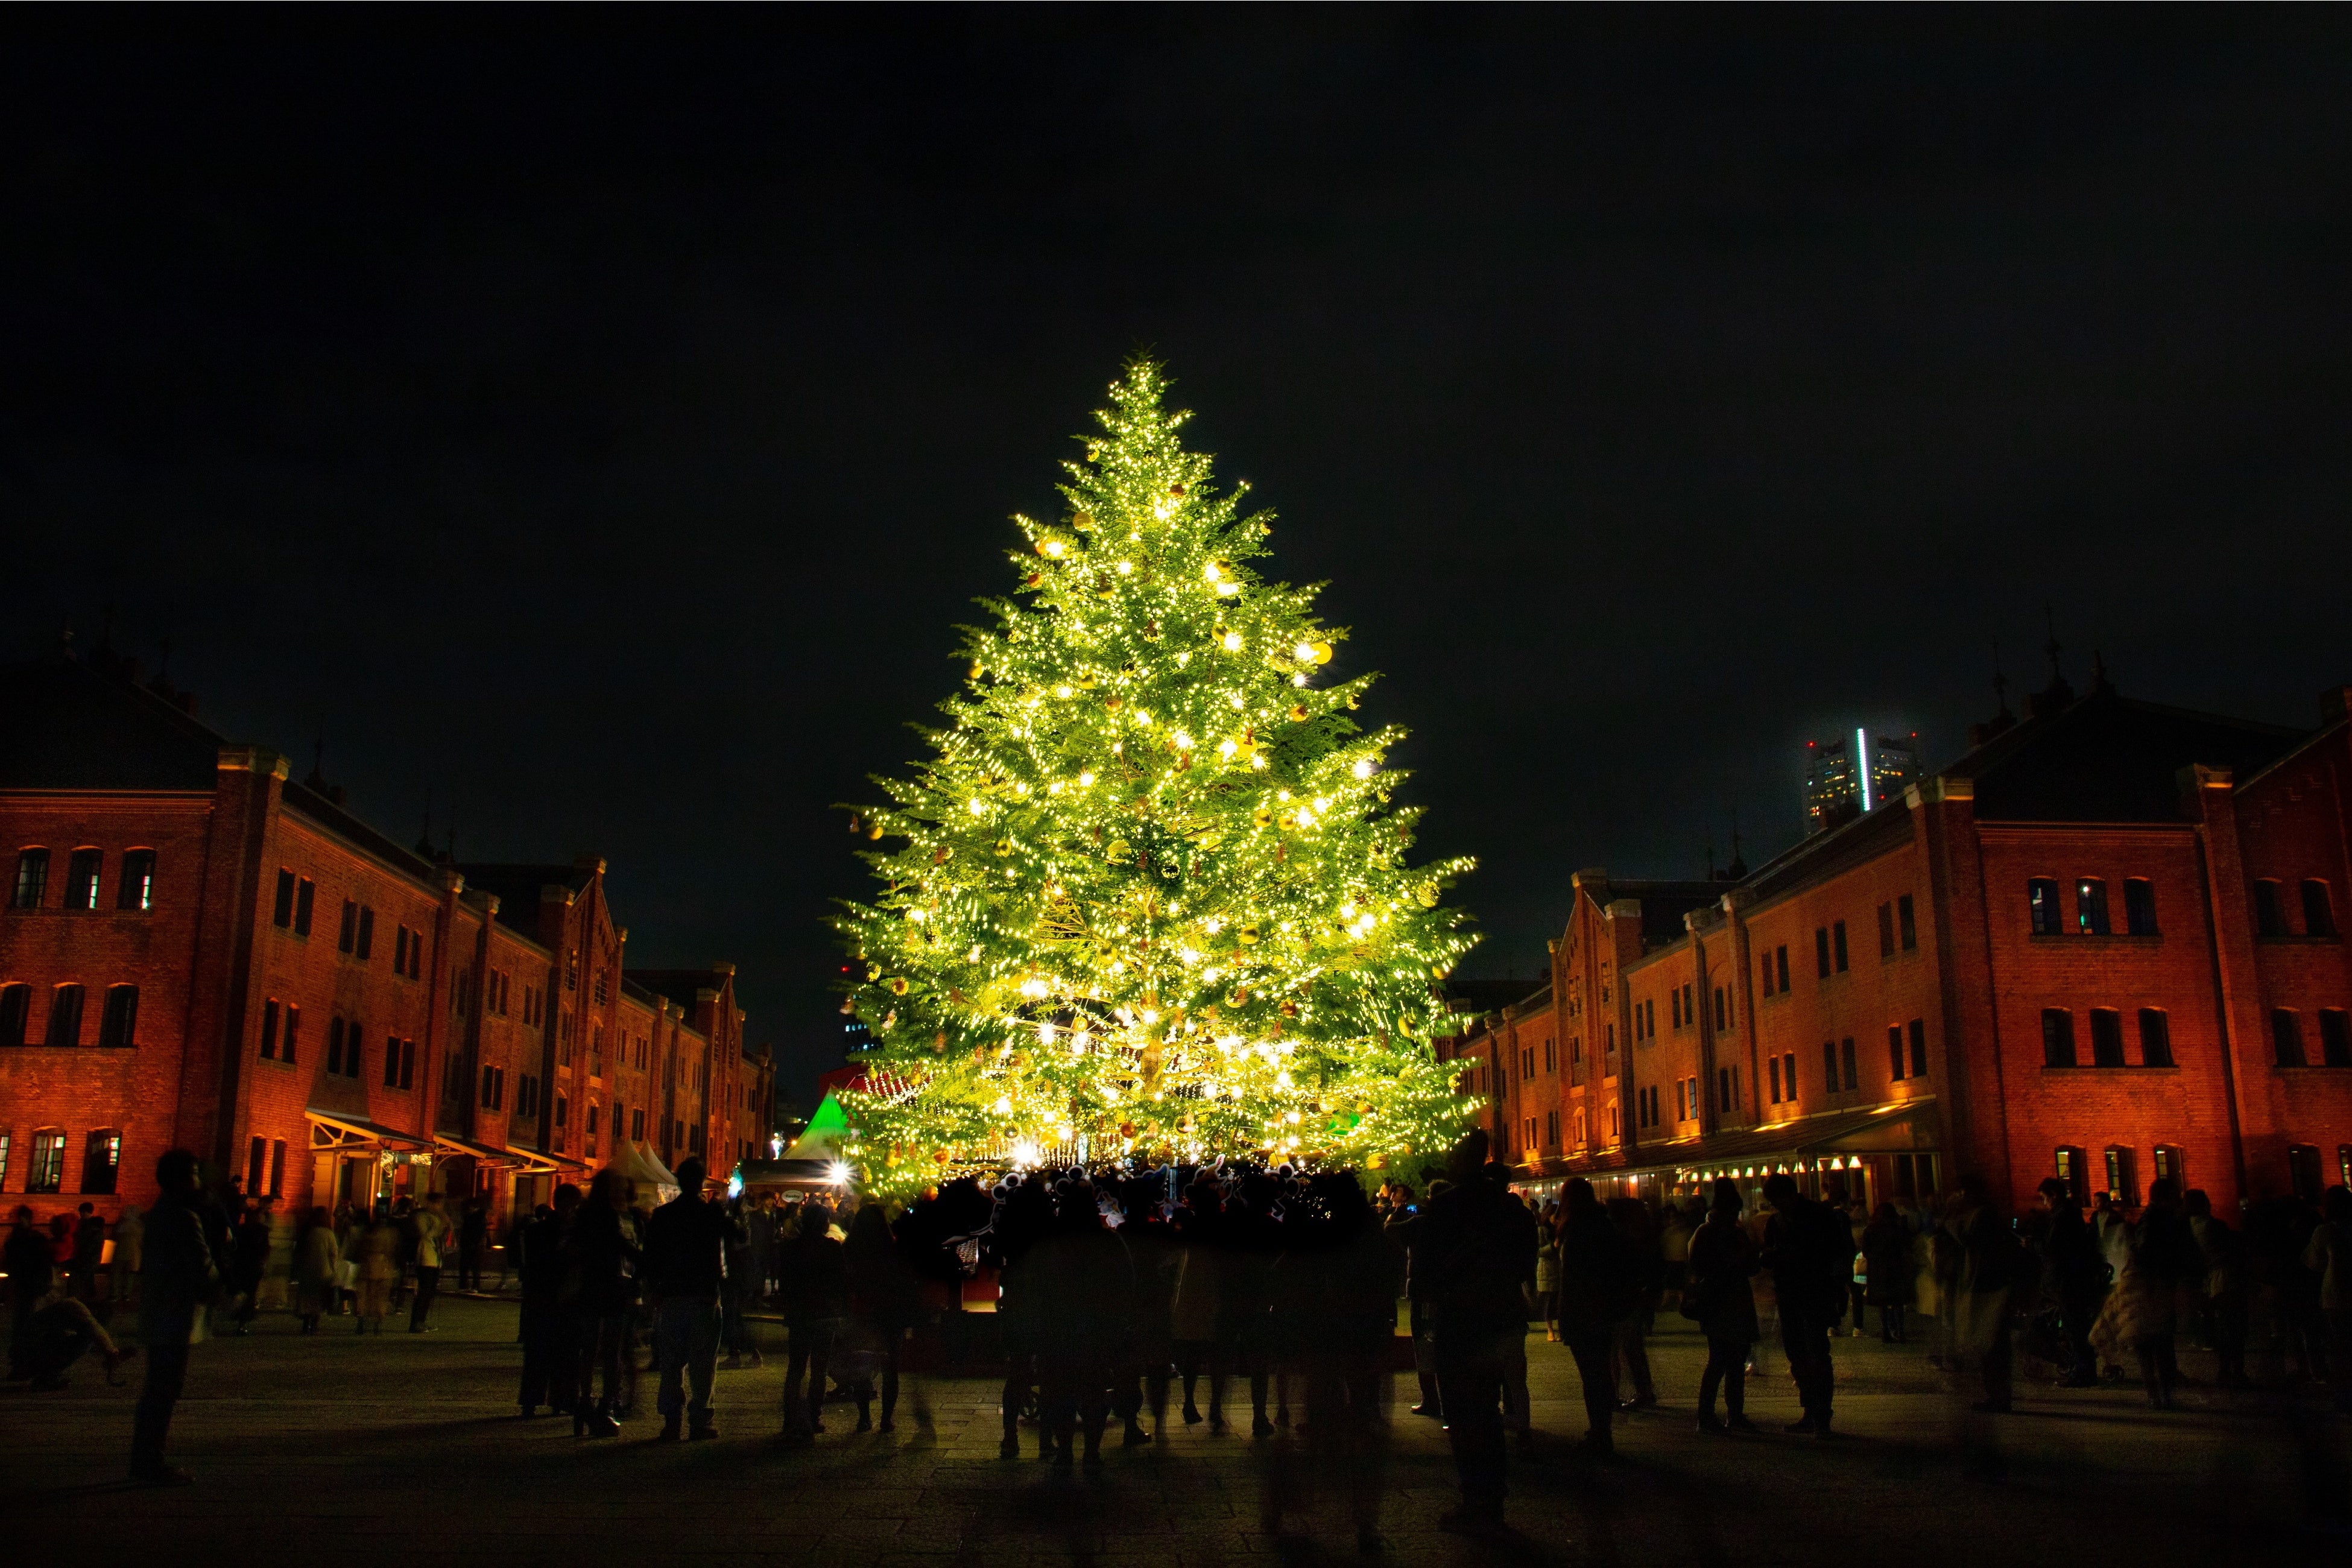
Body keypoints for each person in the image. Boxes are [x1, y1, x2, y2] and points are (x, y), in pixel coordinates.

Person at [1418, 1130, 1534, 1537]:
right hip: (1498, 1316)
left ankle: (1475, 1497)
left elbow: (1428, 1268)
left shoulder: (1446, 1206)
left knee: (1464, 1413)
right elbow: (1524, 1263)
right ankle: (1493, 1496)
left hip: (1460, 1320)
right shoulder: (1511, 1209)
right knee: (1488, 1407)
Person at [131, 1148, 219, 1486]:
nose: (198, 1180)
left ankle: (145, 1458)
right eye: (195, 1173)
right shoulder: (184, 1217)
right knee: (165, 1388)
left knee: (158, 1387)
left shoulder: (159, 1213)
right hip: (175, 1314)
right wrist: (224, 1290)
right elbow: (202, 1267)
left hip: (159, 1311)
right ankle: (150, 1461)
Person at [641, 1156, 738, 1441]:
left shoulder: (663, 1216)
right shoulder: (710, 1214)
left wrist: (653, 1291)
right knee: (704, 1363)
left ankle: (672, 1421)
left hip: (672, 1296)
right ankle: (700, 1420)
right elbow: (737, 1235)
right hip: (705, 1296)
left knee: (672, 1363)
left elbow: (651, 1258)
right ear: (702, 1182)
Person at [1761, 1172, 1853, 1437]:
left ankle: (1819, 1414)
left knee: (1814, 1353)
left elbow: (1832, 1251)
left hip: (1811, 1290)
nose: (1777, 1207)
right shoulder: (1800, 1217)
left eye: (1777, 1201)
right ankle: (1813, 1411)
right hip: (1796, 1292)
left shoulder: (1813, 1217)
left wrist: (1785, 1256)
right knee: (1800, 1353)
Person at [1555, 1179, 1636, 1456]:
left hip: (1583, 1310)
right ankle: (1602, 1431)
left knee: (1592, 1376)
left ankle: (1601, 1433)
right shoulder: (1603, 1225)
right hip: (1603, 1309)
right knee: (1599, 1371)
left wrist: (1565, 1313)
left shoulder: (1576, 1230)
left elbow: (1573, 1279)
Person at [567, 1169, 641, 1438]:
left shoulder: (591, 1214)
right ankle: (600, 1405)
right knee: (607, 1348)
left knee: (600, 1349)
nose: (622, 1191)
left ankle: (591, 1403)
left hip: (603, 1285)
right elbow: (621, 1247)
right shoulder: (605, 1215)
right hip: (607, 1285)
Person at [1685, 1178, 1760, 1433]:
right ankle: (1731, 1414)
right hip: (1731, 1300)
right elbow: (1751, 1266)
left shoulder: (1703, 1233)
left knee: (1718, 1360)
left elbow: (1696, 1266)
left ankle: (1708, 1416)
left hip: (1716, 1303)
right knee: (1731, 1361)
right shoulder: (1733, 1233)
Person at [845, 1200, 922, 1432]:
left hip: (862, 1312)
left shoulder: (850, 1250)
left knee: (861, 1367)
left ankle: (864, 1418)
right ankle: (886, 1419)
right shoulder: (893, 1250)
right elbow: (906, 1283)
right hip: (890, 1313)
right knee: (891, 1369)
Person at [781, 1198, 850, 1440]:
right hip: (825, 1314)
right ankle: (813, 1416)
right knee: (819, 1369)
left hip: (799, 1314)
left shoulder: (790, 1249)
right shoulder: (832, 1248)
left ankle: (790, 1417)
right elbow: (842, 1282)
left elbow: (784, 1283)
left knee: (796, 1368)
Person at [517, 1189, 576, 1416]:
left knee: (540, 1352)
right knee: (561, 1351)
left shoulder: (538, 1230)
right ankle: (560, 1399)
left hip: (542, 1297)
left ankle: (533, 1400)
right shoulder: (563, 1232)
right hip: (554, 1296)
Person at [2302, 1185, 2352, 1415]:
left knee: (2341, 1349)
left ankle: (2344, 1396)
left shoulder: (2325, 1232)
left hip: (2337, 1296)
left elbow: (2313, 1263)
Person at [6, 1204, 54, 1379]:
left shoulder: (27, 1239)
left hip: (30, 1285)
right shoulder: (28, 1239)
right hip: (29, 1285)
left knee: (25, 1325)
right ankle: (22, 1365)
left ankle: (22, 1365)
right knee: (25, 1325)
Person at [1862, 1202, 1914, 1342]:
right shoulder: (1897, 1229)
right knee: (1898, 1301)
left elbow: (1865, 1251)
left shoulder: (1870, 1230)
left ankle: (1886, 1332)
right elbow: (1906, 1245)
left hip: (1878, 1270)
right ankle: (1900, 1331)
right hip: (1895, 1268)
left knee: (1883, 1303)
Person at [292, 1207, 340, 1333]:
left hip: (307, 1269)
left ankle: (306, 1323)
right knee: (319, 1298)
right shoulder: (328, 1233)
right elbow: (333, 1253)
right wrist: (333, 1269)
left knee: (307, 1296)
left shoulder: (308, 1232)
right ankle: (314, 1324)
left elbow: (299, 1251)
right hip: (323, 1270)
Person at [353, 1204, 400, 1333]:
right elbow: (391, 1250)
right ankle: (377, 1323)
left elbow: (359, 1249)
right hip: (383, 1267)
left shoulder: (366, 1232)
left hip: (366, 1266)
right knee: (380, 1297)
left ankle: (361, 1321)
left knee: (364, 1296)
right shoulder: (389, 1233)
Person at [409, 1192, 450, 1332]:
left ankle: (422, 1320)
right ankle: (416, 1322)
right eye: (438, 1203)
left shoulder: (438, 1217)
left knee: (430, 1291)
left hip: (436, 1258)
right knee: (424, 1291)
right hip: (425, 1257)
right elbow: (424, 1235)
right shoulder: (421, 1216)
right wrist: (440, 1226)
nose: (440, 1206)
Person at [109, 1203, 145, 1311]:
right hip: (127, 1253)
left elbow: (114, 1237)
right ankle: (119, 1294)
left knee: (126, 1275)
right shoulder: (134, 1225)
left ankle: (121, 1294)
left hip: (128, 1253)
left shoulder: (135, 1225)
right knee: (122, 1275)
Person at [69, 1203, 107, 1302]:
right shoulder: (93, 1225)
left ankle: (86, 1299)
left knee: (84, 1278)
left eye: (82, 1212)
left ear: (85, 1212)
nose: (81, 1215)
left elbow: (90, 1244)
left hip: (88, 1257)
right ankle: (89, 1298)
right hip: (90, 1257)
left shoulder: (91, 1227)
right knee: (88, 1278)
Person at [457, 1197, 487, 1293]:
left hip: (474, 1245)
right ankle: (470, 1286)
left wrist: (473, 1242)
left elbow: (478, 1232)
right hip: (472, 1244)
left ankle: (470, 1286)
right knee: (470, 1266)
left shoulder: (476, 1218)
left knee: (472, 1266)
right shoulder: (474, 1217)